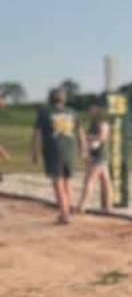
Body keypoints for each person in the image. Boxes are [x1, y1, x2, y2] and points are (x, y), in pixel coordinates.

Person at [32, 87, 86, 223]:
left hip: (53, 151)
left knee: (58, 183)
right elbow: (80, 132)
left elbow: (37, 134)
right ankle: (68, 208)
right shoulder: (72, 112)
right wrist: (83, 149)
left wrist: (35, 152)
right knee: (67, 182)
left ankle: (64, 214)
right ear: (64, 99)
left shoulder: (44, 113)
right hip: (70, 151)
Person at [77, 104, 113, 213]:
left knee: (90, 180)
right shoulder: (93, 124)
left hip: (100, 155)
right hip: (95, 155)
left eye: (92, 110)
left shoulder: (103, 123)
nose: (90, 112)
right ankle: (108, 206)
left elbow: (102, 137)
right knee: (105, 180)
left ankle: (82, 206)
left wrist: (86, 137)